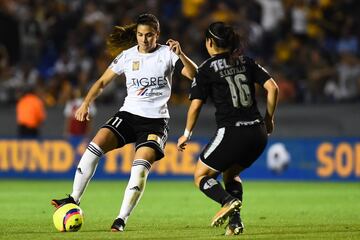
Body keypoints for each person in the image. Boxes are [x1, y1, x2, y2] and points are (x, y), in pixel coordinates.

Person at [51, 13, 197, 232]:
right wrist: (85, 103)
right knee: (94, 146)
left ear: (157, 35)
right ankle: (73, 198)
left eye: (149, 35)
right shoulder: (127, 56)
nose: (144, 40)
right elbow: (101, 82)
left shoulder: (168, 53)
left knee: (139, 170)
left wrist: (182, 54)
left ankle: (121, 219)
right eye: (140, 35)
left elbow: (195, 75)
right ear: (136, 35)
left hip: (155, 122)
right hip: (128, 115)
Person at [177, 22, 279, 236]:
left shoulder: (206, 68)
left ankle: (227, 200)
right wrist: (269, 119)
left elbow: (195, 105)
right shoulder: (246, 61)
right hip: (258, 133)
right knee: (231, 175)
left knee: (201, 175)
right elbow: (273, 88)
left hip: (232, 131)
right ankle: (235, 223)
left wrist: (186, 134)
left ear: (210, 42)